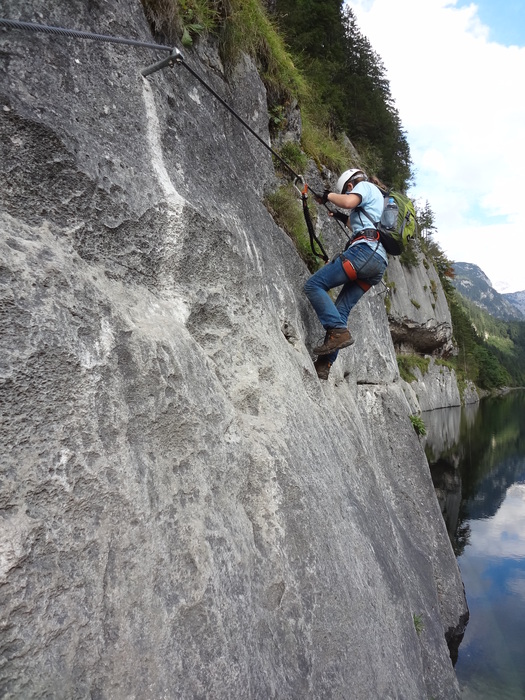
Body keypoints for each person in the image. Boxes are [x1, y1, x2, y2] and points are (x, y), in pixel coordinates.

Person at [304, 169, 388, 380]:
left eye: (347, 191)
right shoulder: (377, 199)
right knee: (341, 310)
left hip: (363, 253)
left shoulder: (364, 186)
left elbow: (349, 203)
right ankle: (324, 365)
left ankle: (338, 332)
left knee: (314, 285)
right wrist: (340, 216)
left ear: (350, 186)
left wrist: (328, 196)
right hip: (377, 263)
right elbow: (356, 221)